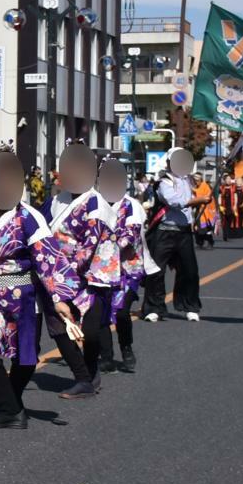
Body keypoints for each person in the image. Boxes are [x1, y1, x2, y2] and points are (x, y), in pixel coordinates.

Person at [0, 149, 83, 429]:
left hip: (24, 294)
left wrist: (60, 298)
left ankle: (12, 404)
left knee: (26, 358)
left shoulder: (29, 217)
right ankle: (10, 409)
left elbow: (47, 258)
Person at [43, 144, 109, 397]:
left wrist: (64, 277)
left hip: (89, 277)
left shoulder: (95, 204)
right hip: (53, 273)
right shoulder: (56, 200)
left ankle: (91, 370)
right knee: (59, 327)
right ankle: (82, 378)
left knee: (91, 331)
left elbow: (88, 248)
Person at [101, 159, 151, 374]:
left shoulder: (132, 205)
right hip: (99, 269)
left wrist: (103, 243)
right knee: (99, 313)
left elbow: (131, 235)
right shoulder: (93, 203)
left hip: (127, 268)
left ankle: (126, 347)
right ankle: (106, 356)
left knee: (121, 311)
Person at [144, 147, 204, 322]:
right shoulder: (164, 182)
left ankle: (189, 306)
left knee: (190, 271)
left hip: (184, 232)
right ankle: (154, 308)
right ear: (170, 163)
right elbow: (174, 201)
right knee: (156, 271)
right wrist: (196, 201)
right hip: (164, 231)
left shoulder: (188, 181)